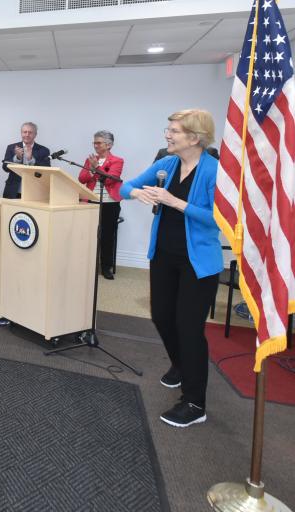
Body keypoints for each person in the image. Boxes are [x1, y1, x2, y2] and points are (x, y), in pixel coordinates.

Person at [121, 109, 221, 428]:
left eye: (174, 131)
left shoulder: (214, 171)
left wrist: (174, 202)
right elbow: (126, 187)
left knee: (189, 328)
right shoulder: (166, 163)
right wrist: (141, 192)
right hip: (163, 255)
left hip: (197, 263)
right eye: (168, 129)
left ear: (194, 137)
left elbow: (220, 218)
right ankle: (181, 365)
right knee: (162, 316)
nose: (167, 135)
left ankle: (195, 403)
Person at [78, 130, 124, 280]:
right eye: (94, 142)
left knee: (107, 236)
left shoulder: (117, 161)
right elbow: (82, 178)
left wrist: (96, 167)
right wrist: (92, 169)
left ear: (109, 145)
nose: (95, 145)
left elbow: (110, 180)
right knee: (89, 235)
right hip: (91, 201)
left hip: (109, 204)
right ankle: (89, 266)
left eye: (98, 143)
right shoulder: (90, 160)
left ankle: (106, 267)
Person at [2, 122, 50, 199]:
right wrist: (17, 158)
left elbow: (46, 171)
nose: (27, 135)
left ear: (35, 134)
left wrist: (31, 159)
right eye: (25, 132)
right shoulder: (11, 147)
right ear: (21, 133)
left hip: (34, 192)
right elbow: (5, 167)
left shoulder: (44, 150)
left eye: (30, 132)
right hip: (13, 191)